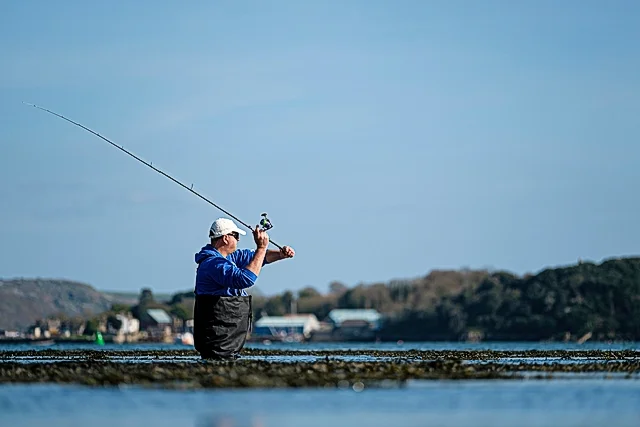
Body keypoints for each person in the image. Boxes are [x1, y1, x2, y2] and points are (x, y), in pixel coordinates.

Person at [193, 217, 295, 360]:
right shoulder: (213, 264)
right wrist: (261, 247)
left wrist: (279, 254)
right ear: (226, 238)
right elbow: (245, 279)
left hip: (227, 342)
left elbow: (258, 258)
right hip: (217, 340)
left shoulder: (230, 258)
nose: (239, 240)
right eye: (236, 236)